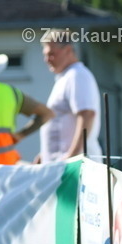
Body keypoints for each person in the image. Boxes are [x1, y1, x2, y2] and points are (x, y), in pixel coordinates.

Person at [36, 29, 102, 163]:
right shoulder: (67, 77)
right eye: (45, 55)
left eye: (52, 54)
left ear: (68, 50)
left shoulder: (77, 76)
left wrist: (72, 157)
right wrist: (44, 155)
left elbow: (87, 115)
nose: (46, 60)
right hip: (66, 166)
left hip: (75, 169)